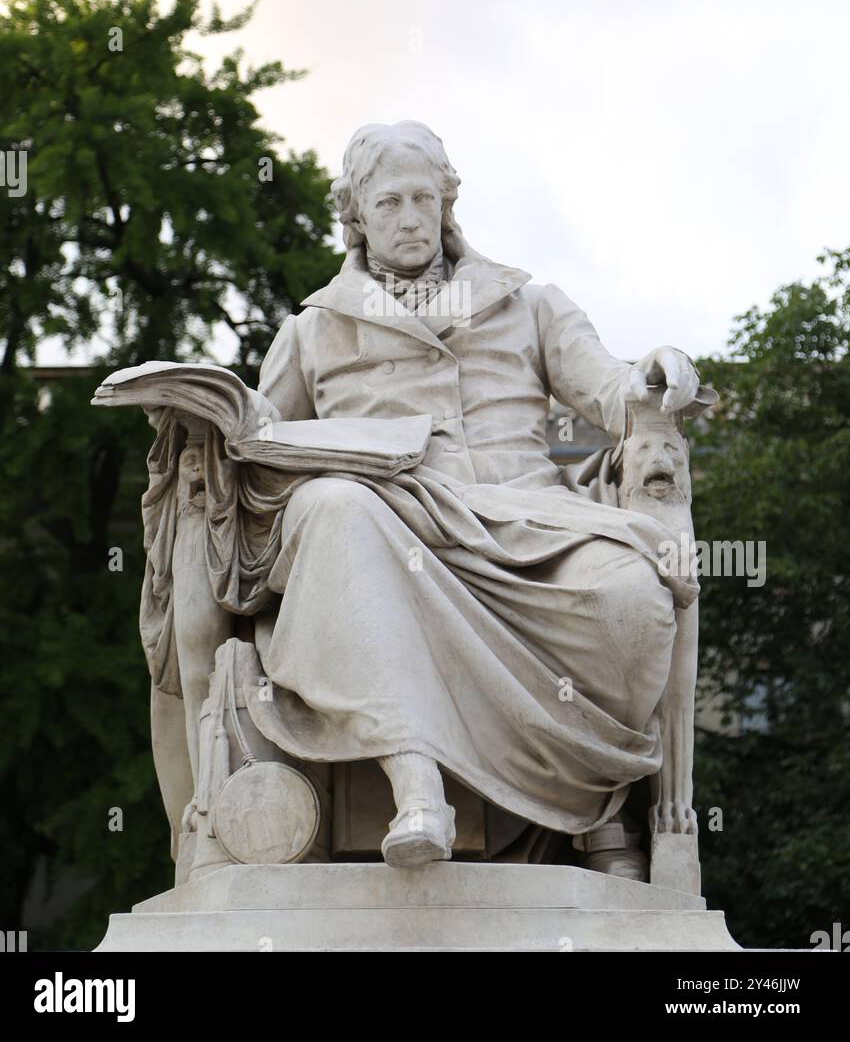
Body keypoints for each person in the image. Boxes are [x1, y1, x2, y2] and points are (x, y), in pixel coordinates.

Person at [249, 120, 702, 873]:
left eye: (424, 197)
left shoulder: (528, 304)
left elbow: (612, 390)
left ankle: (599, 811)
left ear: (448, 202)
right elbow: (259, 449)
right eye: (388, 201)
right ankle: (417, 784)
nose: (409, 217)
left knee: (633, 600)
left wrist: (654, 370)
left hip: (531, 522)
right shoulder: (313, 329)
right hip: (393, 529)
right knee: (330, 507)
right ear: (356, 213)